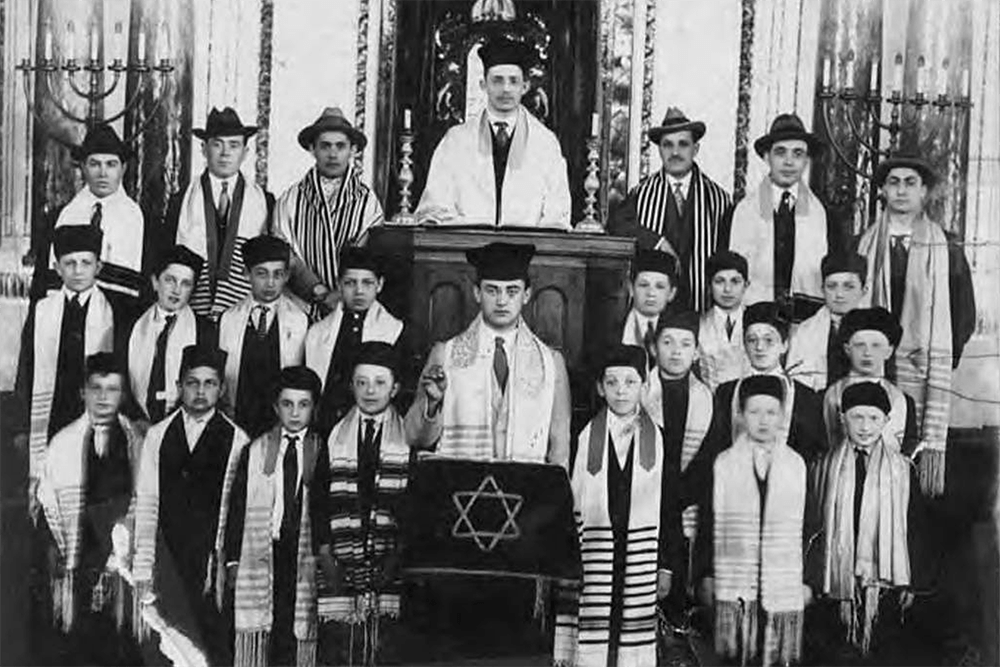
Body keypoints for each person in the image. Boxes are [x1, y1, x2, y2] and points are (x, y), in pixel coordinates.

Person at [553, 345, 682, 667]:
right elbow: (565, 504)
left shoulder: (662, 440)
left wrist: (665, 565)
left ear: (644, 386)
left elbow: (669, 507)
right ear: (600, 387)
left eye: (630, 382)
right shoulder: (581, 436)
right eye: (612, 383)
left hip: (638, 551)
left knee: (631, 630)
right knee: (594, 626)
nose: (621, 391)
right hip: (592, 552)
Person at [856, 154, 976, 496]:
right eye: (893, 182)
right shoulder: (863, 246)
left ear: (924, 192)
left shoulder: (947, 248)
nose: (901, 191)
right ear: (882, 190)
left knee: (911, 468)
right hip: (876, 366)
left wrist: (937, 361)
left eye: (911, 183)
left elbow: (963, 313)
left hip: (921, 371)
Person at [132, 345, 250, 667]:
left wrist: (223, 567)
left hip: (209, 567)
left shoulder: (237, 440)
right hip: (166, 560)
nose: (200, 391)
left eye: (209, 383)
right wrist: (144, 565)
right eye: (192, 383)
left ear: (222, 389)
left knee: (208, 646)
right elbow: (147, 502)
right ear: (179, 385)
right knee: (168, 645)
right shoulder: (158, 435)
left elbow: (231, 509)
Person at [404, 242, 571, 466]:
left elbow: (560, 445)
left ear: (527, 295)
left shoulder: (550, 362)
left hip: (527, 489)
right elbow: (414, 437)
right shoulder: (445, 354)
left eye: (512, 291)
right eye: (492, 290)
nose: (502, 301)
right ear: (477, 293)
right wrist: (432, 405)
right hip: (462, 488)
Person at [36, 353, 145, 666]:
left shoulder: (137, 442)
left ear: (122, 395)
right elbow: (49, 506)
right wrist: (59, 560)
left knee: (122, 650)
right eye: (96, 388)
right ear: (83, 392)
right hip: (78, 562)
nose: (103, 397)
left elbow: (146, 503)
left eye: (112, 389)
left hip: (122, 567)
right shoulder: (62, 444)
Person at [311, 342, 412, 666]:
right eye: (362, 382)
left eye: (380, 383)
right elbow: (320, 497)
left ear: (395, 388)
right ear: (351, 385)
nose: (370, 391)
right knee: (342, 648)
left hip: (391, 557)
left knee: (386, 648)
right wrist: (325, 551)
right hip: (342, 557)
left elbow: (416, 505)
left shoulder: (408, 437)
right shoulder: (333, 434)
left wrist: (397, 556)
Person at [810, 382, 924, 657]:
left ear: (886, 420)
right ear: (842, 419)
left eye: (873, 418)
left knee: (882, 650)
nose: (864, 426)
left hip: (884, 582)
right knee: (834, 649)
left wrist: (912, 581)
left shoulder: (902, 470)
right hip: (836, 579)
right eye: (856, 417)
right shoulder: (823, 467)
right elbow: (813, 528)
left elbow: (916, 529)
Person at [223, 366, 325, 667]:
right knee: (270, 626)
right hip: (268, 549)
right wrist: (232, 560)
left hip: (303, 552)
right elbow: (237, 507)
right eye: (287, 404)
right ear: (275, 406)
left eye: (303, 404)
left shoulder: (322, 450)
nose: (295, 413)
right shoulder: (255, 450)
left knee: (298, 627)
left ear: (314, 408)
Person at [415, 37, 572, 229]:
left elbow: (557, 212)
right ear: (483, 85)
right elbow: (435, 208)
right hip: (467, 251)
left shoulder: (545, 143)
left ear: (525, 87)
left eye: (513, 81)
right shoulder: (456, 141)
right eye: (497, 81)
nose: (505, 89)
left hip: (527, 253)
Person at [708, 375, 808, 667]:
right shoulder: (724, 463)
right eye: (754, 412)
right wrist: (707, 573)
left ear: (782, 416)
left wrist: (808, 580)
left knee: (777, 655)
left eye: (771, 412)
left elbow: (811, 525)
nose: (763, 421)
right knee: (739, 654)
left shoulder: (796, 465)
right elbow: (710, 523)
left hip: (782, 575)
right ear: (740, 415)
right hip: (738, 573)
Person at [17, 226, 116, 500]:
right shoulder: (43, 312)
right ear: (57, 268)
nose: (78, 271)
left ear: (99, 266)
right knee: (50, 497)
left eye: (86, 263)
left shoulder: (113, 313)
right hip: (53, 414)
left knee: (90, 499)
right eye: (69, 263)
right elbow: (28, 367)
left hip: (91, 416)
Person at [609, 107, 733, 310]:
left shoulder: (719, 200)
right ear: (659, 150)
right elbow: (616, 224)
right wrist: (657, 242)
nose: (675, 152)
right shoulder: (641, 194)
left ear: (696, 149)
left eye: (683, 144)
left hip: (700, 308)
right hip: (654, 310)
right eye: (668, 145)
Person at [274, 107, 383, 318]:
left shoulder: (368, 202)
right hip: (300, 306)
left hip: (352, 306)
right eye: (325, 146)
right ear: (312, 149)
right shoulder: (291, 199)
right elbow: (285, 253)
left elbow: (371, 255)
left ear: (352, 150)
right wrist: (318, 291)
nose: (333, 154)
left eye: (340, 146)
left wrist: (342, 293)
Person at [640, 309, 714, 615]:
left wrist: (675, 496)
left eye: (685, 344)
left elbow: (707, 460)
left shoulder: (707, 399)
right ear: (654, 347)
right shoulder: (639, 393)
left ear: (696, 351)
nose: (676, 351)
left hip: (684, 506)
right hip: (643, 499)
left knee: (677, 597)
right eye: (668, 342)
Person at [172, 107, 273, 320]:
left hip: (242, 312)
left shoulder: (264, 201)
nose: (225, 153)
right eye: (217, 144)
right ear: (204, 149)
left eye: (234, 145)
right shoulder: (181, 200)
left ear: (245, 152)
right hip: (192, 311)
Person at [729, 113, 834, 310]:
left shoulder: (823, 214)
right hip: (757, 315)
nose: (789, 162)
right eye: (780, 152)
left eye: (798, 154)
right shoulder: (743, 211)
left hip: (807, 318)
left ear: (806, 160)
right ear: (767, 157)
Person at [706, 301, 826, 464]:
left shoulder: (807, 398)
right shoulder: (725, 393)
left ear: (785, 345)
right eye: (751, 340)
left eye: (769, 340)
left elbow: (809, 453)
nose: (759, 347)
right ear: (744, 345)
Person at [304, 247, 405, 436]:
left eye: (367, 283)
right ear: (339, 284)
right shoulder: (317, 333)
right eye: (350, 283)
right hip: (326, 425)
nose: (359, 291)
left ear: (380, 285)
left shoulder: (395, 331)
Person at [49, 125, 147, 318]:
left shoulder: (141, 221)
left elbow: (146, 296)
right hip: (66, 322)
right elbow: (43, 286)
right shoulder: (62, 215)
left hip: (120, 323)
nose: (103, 173)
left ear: (123, 168)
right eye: (95, 164)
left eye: (111, 164)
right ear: (83, 167)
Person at [219, 235, 308, 438]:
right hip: (238, 420)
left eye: (278, 274)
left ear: (287, 276)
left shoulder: (301, 320)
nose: (270, 283)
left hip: (280, 424)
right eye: (261, 274)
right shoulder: (227, 319)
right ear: (246, 274)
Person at [126, 245, 216, 424]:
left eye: (186, 284)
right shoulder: (130, 325)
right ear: (155, 282)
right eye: (170, 280)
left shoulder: (206, 331)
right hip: (136, 426)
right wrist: (136, 420)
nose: (177, 290)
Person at [822, 307, 918, 457]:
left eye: (876, 345)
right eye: (860, 345)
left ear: (889, 351)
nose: (867, 353)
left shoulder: (903, 402)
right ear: (847, 349)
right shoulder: (827, 397)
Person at [786, 252, 868, 392]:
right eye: (832, 286)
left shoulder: (877, 331)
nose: (839, 295)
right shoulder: (804, 332)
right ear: (822, 290)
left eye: (848, 287)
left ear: (864, 290)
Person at [698, 250, 751, 391]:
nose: (728, 289)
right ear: (708, 286)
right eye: (719, 281)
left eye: (735, 281)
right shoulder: (696, 325)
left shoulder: (759, 322)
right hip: (710, 405)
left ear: (746, 285)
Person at [620, 249, 679, 358]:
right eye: (643, 285)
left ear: (671, 293)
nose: (651, 293)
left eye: (660, 287)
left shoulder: (682, 331)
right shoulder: (610, 331)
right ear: (631, 288)